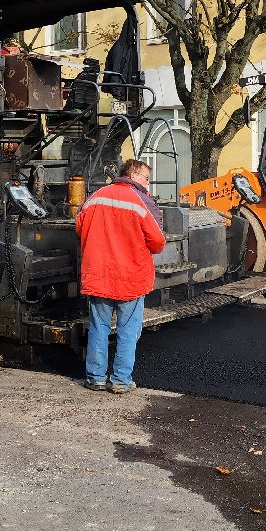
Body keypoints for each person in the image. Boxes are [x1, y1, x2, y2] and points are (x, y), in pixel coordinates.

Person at [75, 158, 166, 394]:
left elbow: (79, 228)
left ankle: (95, 378)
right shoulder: (140, 202)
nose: (148, 184)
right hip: (130, 277)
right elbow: (157, 242)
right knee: (127, 331)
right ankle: (121, 381)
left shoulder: (95, 197)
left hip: (99, 275)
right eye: (146, 178)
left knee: (99, 327)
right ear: (134, 174)